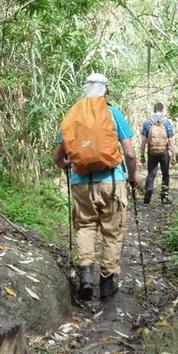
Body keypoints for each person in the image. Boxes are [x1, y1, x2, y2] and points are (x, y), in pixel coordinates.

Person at [52, 73, 139, 301]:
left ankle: (86, 278)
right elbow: (129, 153)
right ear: (105, 91)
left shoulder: (72, 116)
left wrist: (66, 165)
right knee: (112, 231)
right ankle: (107, 284)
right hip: (112, 181)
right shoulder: (113, 113)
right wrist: (133, 177)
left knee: (85, 227)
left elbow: (58, 156)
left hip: (81, 183)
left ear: (84, 90)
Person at [139, 102, 176, 204]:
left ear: (154, 110)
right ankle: (164, 197)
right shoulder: (167, 122)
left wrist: (142, 155)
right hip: (164, 152)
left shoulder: (147, 122)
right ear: (162, 110)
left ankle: (149, 190)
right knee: (165, 174)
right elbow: (171, 140)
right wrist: (173, 154)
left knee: (151, 173)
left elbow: (144, 141)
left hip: (152, 151)